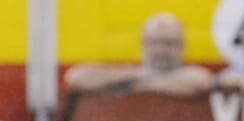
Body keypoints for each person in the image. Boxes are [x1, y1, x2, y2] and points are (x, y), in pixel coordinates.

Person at [63, 12, 214, 99]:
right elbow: (75, 77)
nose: (161, 50)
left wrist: (136, 83)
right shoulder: (127, 72)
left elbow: (201, 83)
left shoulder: (191, 73)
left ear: (182, 46)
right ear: (143, 45)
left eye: (169, 43)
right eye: (155, 42)